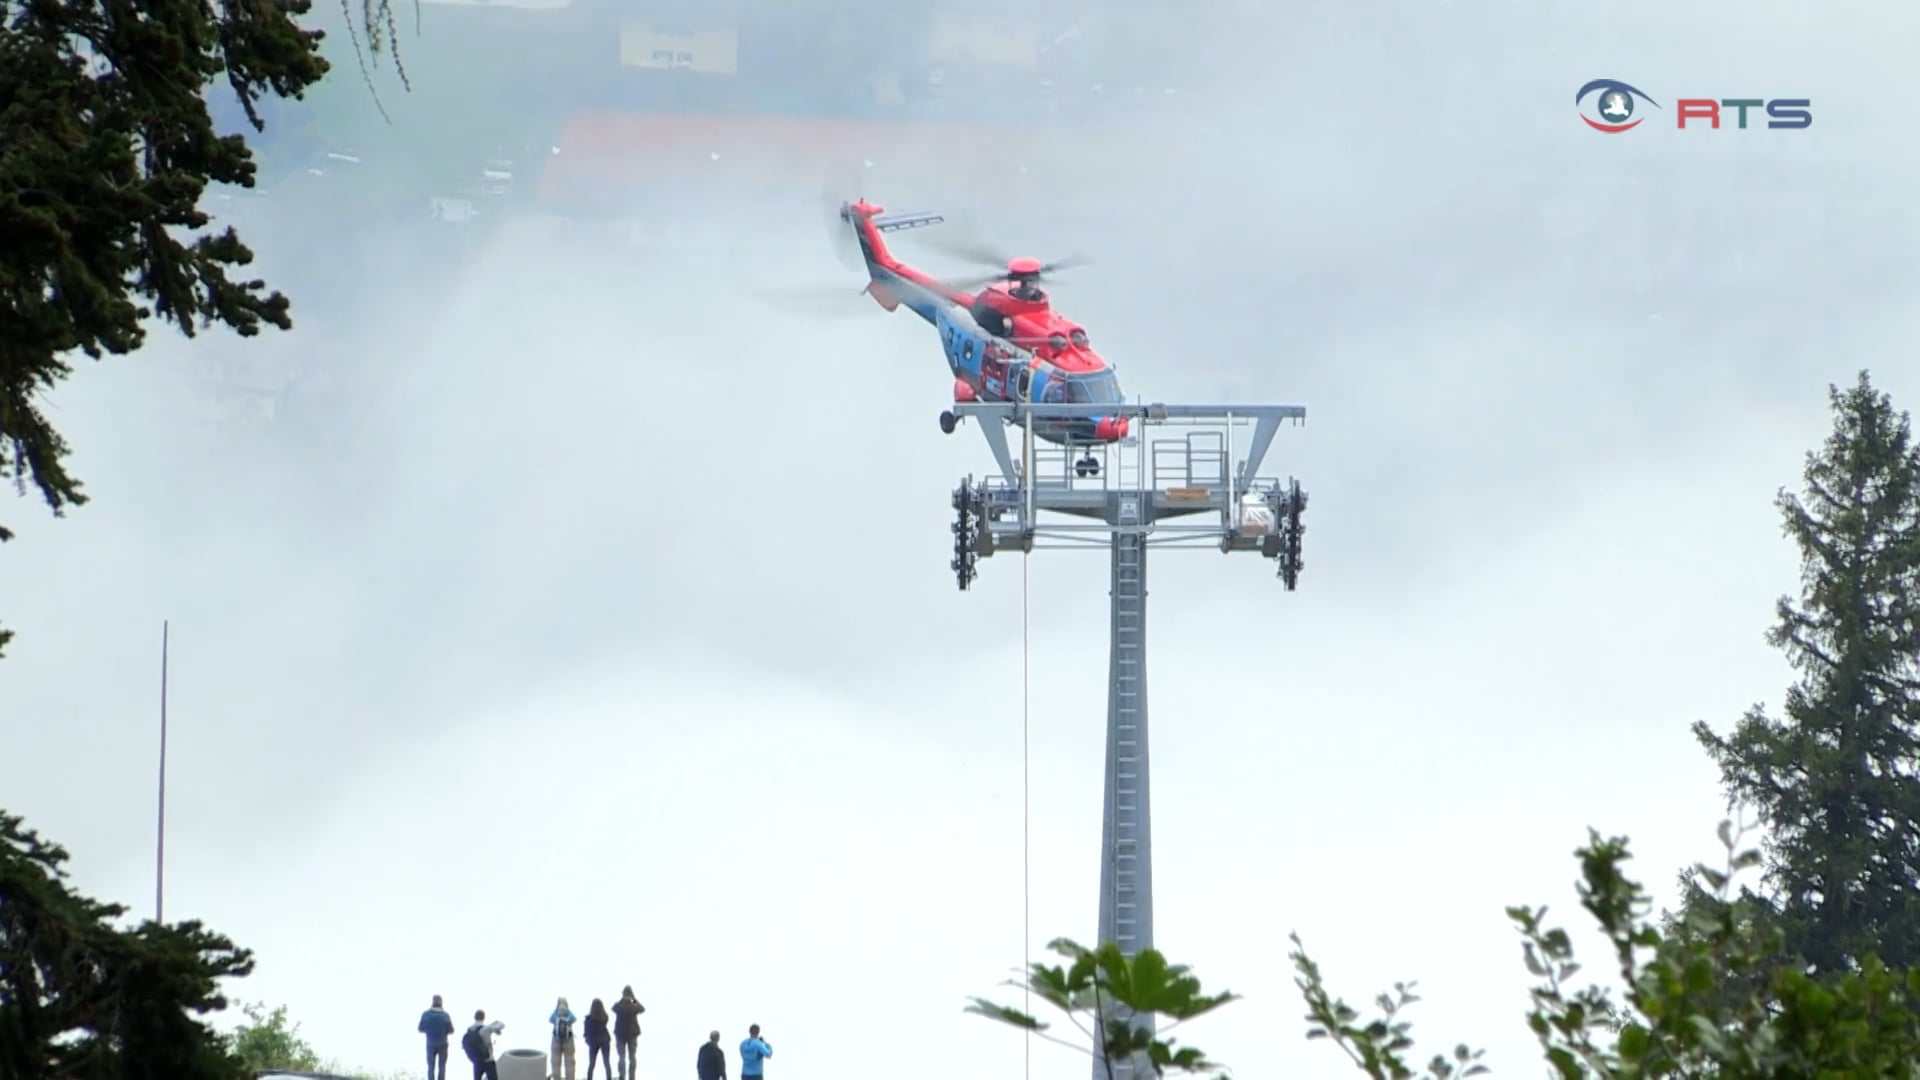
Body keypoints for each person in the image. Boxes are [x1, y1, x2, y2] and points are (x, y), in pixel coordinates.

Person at [612, 986, 646, 1080]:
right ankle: (632, 1077)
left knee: (621, 1057)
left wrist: (622, 999)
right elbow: (642, 1009)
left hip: (620, 1034)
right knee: (632, 1057)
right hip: (632, 1034)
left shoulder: (619, 1006)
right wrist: (634, 999)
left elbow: (613, 1008)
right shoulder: (633, 1007)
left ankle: (622, 1076)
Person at [419, 994, 456, 1080]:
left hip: (430, 1043)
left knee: (430, 1067)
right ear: (441, 1003)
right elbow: (451, 1030)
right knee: (442, 1067)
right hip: (443, 1043)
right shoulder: (445, 1015)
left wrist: (429, 1030)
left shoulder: (426, 1014)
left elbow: (420, 1029)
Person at [464, 1011, 505, 1080]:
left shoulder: (470, 1030)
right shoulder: (486, 1029)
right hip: (488, 1060)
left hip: (477, 1060)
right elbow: (502, 1025)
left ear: (474, 1017)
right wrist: (495, 1022)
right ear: (484, 1017)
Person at [550, 997, 579, 1080]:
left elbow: (551, 1019)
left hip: (556, 1040)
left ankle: (557, 1078)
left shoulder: (556, 1013)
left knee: (555, 1063)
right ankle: (570, 1078)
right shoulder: (568, 1013)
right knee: (569, 1062)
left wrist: (557, 1016)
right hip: (568, 1040)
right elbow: (574, 1019)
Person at [583, 999, 612, 1080]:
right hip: (604, 1040)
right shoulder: (604, 1018)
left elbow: (586, 1033)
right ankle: (608, 1078)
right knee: (606, 1063)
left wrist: (588, 1041)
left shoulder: (588, 1019)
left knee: (591, 1064)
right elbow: (606, 1018)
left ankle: (589, 1078)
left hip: (593, 1042)